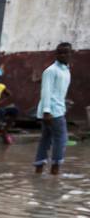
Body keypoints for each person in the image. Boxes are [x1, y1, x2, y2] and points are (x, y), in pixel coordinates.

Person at [34, 42, 72, 175]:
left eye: (66, 52)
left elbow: (59, 92)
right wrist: (46, 111)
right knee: (61, 139)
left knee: (45, 139)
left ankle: (39, 169)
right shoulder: (51, 71)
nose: (63, 55)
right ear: (56, 54)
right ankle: (55, 169)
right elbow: (46, 92)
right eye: (60, 52)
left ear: (70, 54)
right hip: (52, 112)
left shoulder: (66, 70)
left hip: (58, 109)